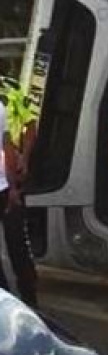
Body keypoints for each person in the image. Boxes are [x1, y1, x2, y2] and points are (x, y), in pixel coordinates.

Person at [0, 93, 37, 307]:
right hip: (6, 184)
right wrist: (13, 187)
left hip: (7, 181)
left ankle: (11, 303)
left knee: (17, 247)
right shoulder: (4, 104)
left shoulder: (11, 93)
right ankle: (29, 302)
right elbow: (7, 147)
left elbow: (29, 125)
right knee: (17, 245)